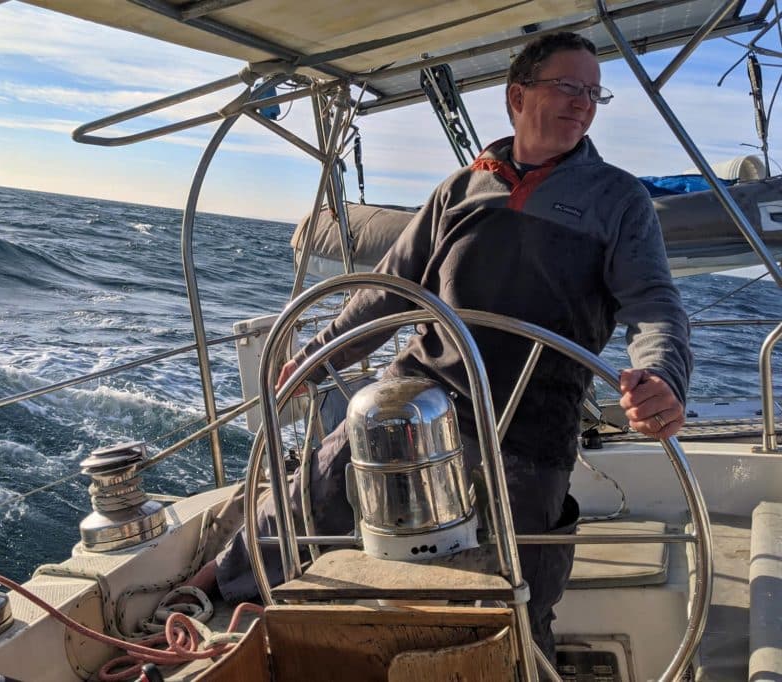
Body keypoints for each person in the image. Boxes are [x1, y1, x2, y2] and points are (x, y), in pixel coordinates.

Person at [187, 31, 692, 662]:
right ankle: (206, 591)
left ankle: (521, 664)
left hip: (532, 421)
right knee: (310, 488)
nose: (584, 104)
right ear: (518, 96)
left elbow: (654, 304)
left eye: (594, 93)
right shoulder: (462, 188)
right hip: (422, 393)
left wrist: (660, 375)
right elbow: (390, 291)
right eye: (569, 87)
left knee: (521, 585)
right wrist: (316, 355)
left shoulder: (618, 200)